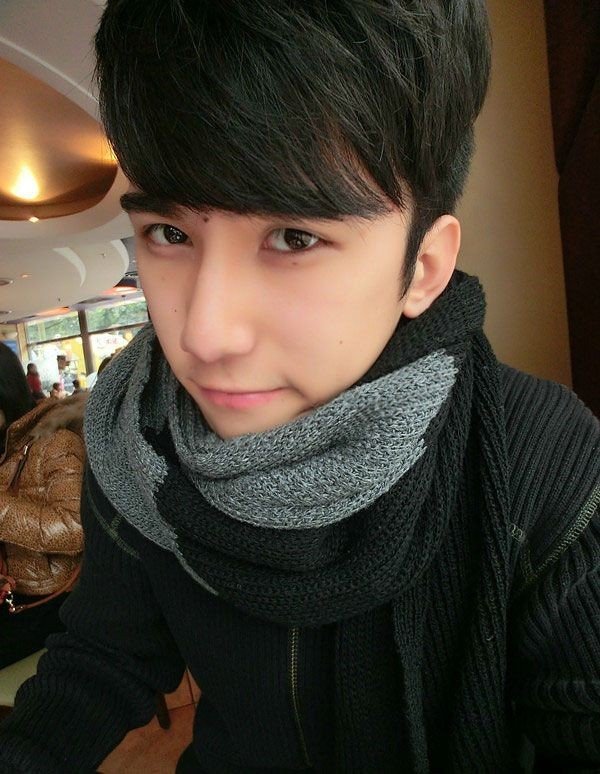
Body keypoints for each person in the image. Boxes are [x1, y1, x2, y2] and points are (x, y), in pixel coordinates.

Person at [1, 2, 599, 772]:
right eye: (170, 234)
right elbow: (105, 655)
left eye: (294, 237)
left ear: (422, 269)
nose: (204, 335)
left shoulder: (539, 458)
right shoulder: (132, 437)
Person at [0, 343, 86, 670]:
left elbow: (74, 529)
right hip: (10, 591)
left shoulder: (56, 442)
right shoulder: (4, 444)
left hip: (49, 601)